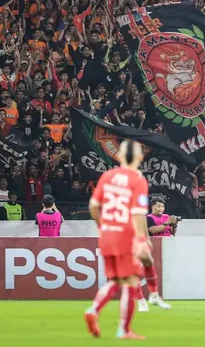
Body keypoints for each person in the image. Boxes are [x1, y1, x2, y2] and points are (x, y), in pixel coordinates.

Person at [84, 140, 149, 340]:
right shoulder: (138, 180)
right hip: (125, 235)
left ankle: (94, 310)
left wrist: (102, 226)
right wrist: (141, 239)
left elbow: (93, 206)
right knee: (130, 281)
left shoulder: (107, 176)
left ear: (119, 156)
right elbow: (138, 214)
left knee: (114, 280)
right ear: (140, 157)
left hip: (107, 234)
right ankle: (124, 330)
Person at [135, 196, 173, 312]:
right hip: (135, 241)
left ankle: (153, 295)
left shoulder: (166, 217)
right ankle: (141, 300)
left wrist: (173, 225)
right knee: (133, 271)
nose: (161, 209)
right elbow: (153, 230)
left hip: (154, 243)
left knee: (148, 264)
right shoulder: (148, 218)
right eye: (158, 206)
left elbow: (171, 231)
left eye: (162, 206)